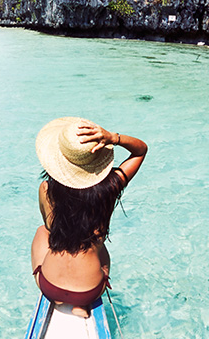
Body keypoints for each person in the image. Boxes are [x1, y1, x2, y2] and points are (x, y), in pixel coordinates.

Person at [31, 117, 147, 318]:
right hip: (90, 290)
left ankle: (59, 297)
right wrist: (113, 138)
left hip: (50, 286)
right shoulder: (111, 188)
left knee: (43, 231)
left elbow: (49, 228)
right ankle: (80, 306)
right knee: (98, 244)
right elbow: (141, 150)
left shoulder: (47, 189)